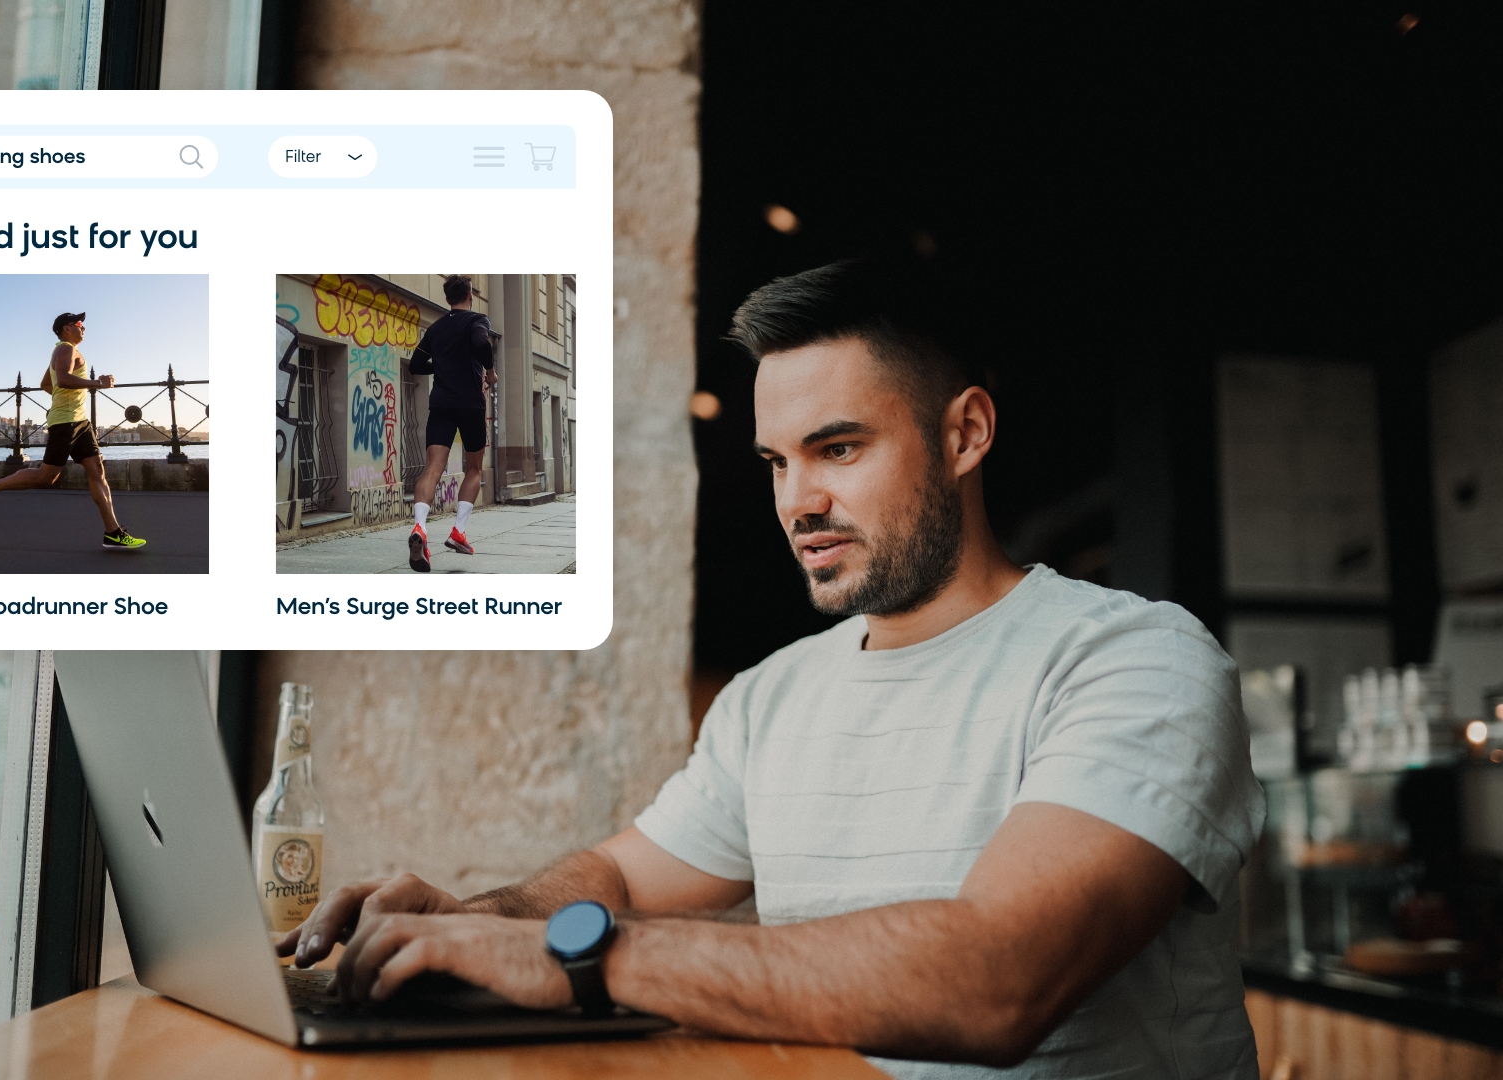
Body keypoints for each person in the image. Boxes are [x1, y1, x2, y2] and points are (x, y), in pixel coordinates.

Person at [283, 260, 1266, 1079]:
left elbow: (996, 980)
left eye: (837, 448)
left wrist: (574, 957)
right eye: (775, 463)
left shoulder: (1133, 660)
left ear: (965, 432)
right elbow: (626, 871)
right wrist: (473, 923)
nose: (798, 501)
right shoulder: (773, 698)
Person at [0, 312, 146, 550]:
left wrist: (67, 400)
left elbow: (46, 384)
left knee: (97, 471)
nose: (84, 328)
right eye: (79, 324)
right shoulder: (65, 349)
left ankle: (113, 532)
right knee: (46, 476)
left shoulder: (67, 350)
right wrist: (97, 384)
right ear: (66, 328)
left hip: (80, 422)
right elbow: (61, 380)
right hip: (66, 423)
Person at [402, 275, 495, 572]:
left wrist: (442, 366)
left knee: (432, 468)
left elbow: (416, 365)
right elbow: (481, 342)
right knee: (474, 467)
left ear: (447, 299)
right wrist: (490, 372)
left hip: (440, 404)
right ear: (470, 294)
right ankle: (458, 532)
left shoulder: (437, 328)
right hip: (470, 404)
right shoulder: (478, 319)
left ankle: (419, 527)